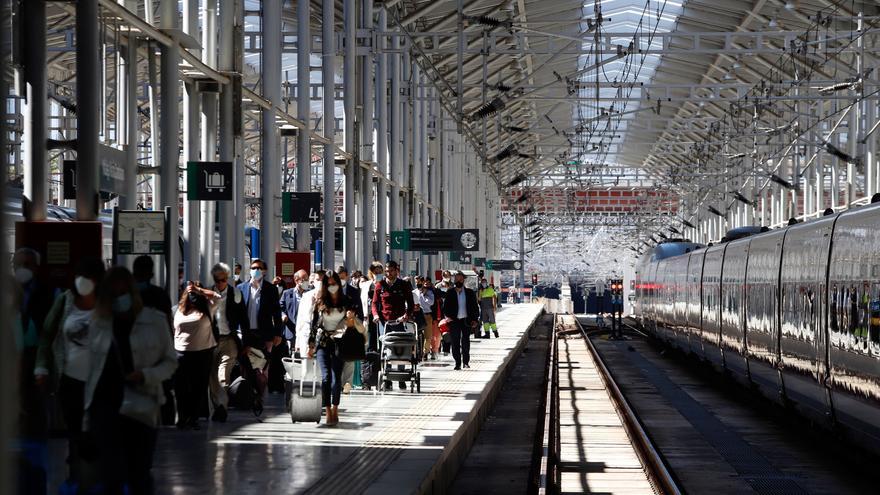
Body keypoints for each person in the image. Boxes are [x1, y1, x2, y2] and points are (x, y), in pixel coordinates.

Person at [83, 267, 177, 494]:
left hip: (142, 406)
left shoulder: (155, 321)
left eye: (122, 292)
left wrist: (147, 375)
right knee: (110, 474)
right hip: (104, 406)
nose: (118, 298)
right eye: (113, 294)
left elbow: (170, 362)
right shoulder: (96, 323)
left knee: (139, 473)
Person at [33, 257, 105, 487]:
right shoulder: (65, 301)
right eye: (80, 275)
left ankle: (95, 474)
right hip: (70, 380)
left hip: (101, 381)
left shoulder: (108, 302)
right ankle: (77, 475)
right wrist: (42, 367)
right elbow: (47, 335)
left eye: (89, 276)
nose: (83, 281)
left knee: (96, 430)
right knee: (75, 432)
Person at [307, 271, 365, 425]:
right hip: (323, 342)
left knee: (336, 378)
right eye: (329, 284)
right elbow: (314, 324)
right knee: (325, 377)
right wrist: (310, 344)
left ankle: (335, 408)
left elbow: (355, 323)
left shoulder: (347, 301)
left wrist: (351, 318)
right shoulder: (320, 302)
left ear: (339, 284)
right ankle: (327, 409)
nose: (332, 287)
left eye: (334, 283)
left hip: (340, 343)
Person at [133, 255, 176, 425]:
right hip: (155, 351)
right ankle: (164, 420)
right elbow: (167, 324)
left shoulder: (126, 295)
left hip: (138, 355)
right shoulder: (159, 295)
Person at [172, 282, 218, 429]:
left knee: (198, 388)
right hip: (180, 353)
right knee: (181, 388)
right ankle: (182, 416)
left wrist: (199, 290)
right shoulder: (177, 310)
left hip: (202, 354)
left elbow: (218, 296)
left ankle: (193, 418)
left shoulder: (207, 309)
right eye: (190, 293)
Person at [208, 263, 248, 423]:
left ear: (227, 279)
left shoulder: (236, 294)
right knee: (211, 376)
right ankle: (217, 405)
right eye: (218, 280)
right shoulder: (208, 293)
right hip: (210, 341)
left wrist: (246, 342)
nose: (220, 283)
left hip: (230, 340)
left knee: (223, 374)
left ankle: (222, 406)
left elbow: (244, 319)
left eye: (223, 280)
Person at [371, 260, 415, 390]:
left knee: (400, 349)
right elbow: (374, 303)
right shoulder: (380, 285)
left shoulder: (404, 285)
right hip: (384, 322)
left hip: (400, 321)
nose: (388, 273)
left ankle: (401, 376)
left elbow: (411, 304)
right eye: (387, 271)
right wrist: (376, 315)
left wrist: (406, 316)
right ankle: (388, 377)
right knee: (385, 349)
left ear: (397, 271)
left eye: (391, 270)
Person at [237, 258, 283, 355]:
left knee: (263, 366)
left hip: (265, 335)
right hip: (245, 334)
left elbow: (277, 312)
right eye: (253, 268)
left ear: (264, 271)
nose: (256, 270)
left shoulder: (271, 289)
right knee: (245, 366)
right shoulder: (241, 288)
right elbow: (236, 311)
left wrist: (278, 333)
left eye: (259, 268)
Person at [442, 271, 480, 370]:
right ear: (454, 280)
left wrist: (475, 319)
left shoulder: (469, 293)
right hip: (454, 321)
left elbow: (475, 307)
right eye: (457, 279)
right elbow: (445, 307)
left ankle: (466, 362)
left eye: (460, 279)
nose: (458, 281)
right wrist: (447, 317)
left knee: (465, 341)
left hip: (466, 321)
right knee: (455, 342)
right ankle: (457, 363)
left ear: (463, 280)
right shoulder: (450, 292)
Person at [336, 266, 363, 394]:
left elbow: (360, 311)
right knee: (337, 356)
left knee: (349, 358)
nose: (340, 279)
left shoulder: (354, 291)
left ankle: (347, 383)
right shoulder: (331, 291)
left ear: (346, 276)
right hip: (335, 329)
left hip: (350, 327)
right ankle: (337, 383)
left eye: (342, 277)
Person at [294, 270, 326, 357]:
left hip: (322, 338)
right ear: (313, 281)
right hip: (306, 336)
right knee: (306, 367)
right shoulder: (307, 296)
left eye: (322, 279)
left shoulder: (329, 297)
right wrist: (298, 341)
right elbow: (300, 319)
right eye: (317, 279)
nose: (320, 282)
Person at [280, 269, 310, 351]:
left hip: (306, 332)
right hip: (291, 330)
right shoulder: (287, 293)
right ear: (296, 280)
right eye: (304, 279)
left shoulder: (310, 294)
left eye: (308, 279)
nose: (307, 281)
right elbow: (280, 308)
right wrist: (283, 315)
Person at [413, 278, 435, 359]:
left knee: (428, 335)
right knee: (417, 334)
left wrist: (424, 294)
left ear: (423, 282)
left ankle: (425, 352)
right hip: (417, 316)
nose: (418, 283)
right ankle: (417, 352)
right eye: (416, 282)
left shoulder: (429, 292)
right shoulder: (414, 292)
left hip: (427, 315)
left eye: (420, 282)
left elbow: (431, 302)